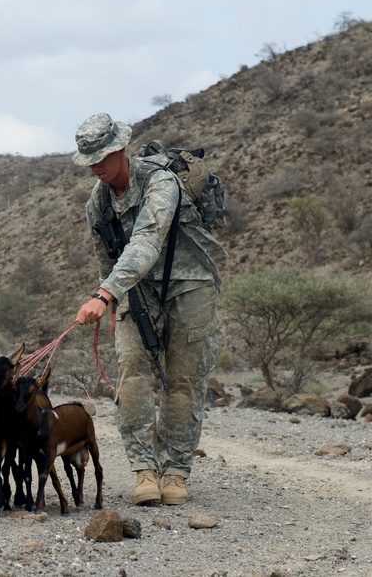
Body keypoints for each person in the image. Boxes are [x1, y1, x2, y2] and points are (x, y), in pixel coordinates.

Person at [72, 112, 227, 507]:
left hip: (190, 284)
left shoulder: (160, 182)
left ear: (121, 149)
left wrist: (105, 294)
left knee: (183, 380)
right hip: (134, 291)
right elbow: (106, 256)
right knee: (132, 377)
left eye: (103, 157)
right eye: (90, 161)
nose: (97, 168)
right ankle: (144, 470)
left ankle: (175, 471)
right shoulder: (98, 201)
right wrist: (112, 302)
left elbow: (146, 241)